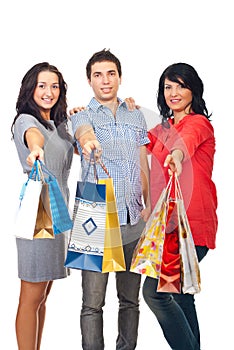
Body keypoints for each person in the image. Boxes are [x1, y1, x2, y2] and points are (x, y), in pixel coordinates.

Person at [70, 48, 151, 350]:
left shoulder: (136, 114)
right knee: (92, 303)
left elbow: (143, 162)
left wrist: (149, 205)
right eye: (98, 75)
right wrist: (90, 141)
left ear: (120, 76)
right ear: (89, 81)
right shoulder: (80, 114)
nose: (105, 81)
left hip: (132, 218)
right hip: (94, 219)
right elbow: (82, 133)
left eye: (111, 73)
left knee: (130, 301)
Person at [141, 63, 218, 350]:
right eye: (168, 86)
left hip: (191, 225)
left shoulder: (198, 123)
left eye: (180, 85)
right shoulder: (162, 128)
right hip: (168, 225)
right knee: (182, 296)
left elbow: (185, 144)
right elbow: (133, 140)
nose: (174, 92)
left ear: (193, 90)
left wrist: (175, 156)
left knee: (156, 293)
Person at [11, 62, 74, 349]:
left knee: (43, 296)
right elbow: (31, 136)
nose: (49, 92)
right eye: (42, 85)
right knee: (31, 296)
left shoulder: (56, 125)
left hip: (57, 213)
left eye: (54, 86)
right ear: (31, 89)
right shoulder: (27, 120)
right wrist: (36, 148)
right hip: (39, 215)